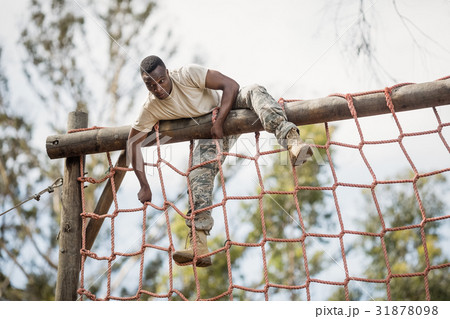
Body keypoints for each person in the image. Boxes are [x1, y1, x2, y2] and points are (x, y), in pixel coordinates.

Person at [128, 55, 312, 267]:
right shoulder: (151, 107)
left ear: (168, 73)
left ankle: (293, 142)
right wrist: (143, 185)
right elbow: (133, 143)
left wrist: (221, 120)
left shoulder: (187, 74)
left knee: (253, 89)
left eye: (161, 81)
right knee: (197, 173)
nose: (158, 88)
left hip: (230, 105)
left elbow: (230, 85)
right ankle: (199, 244)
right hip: (211, 130)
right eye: (151, 85)